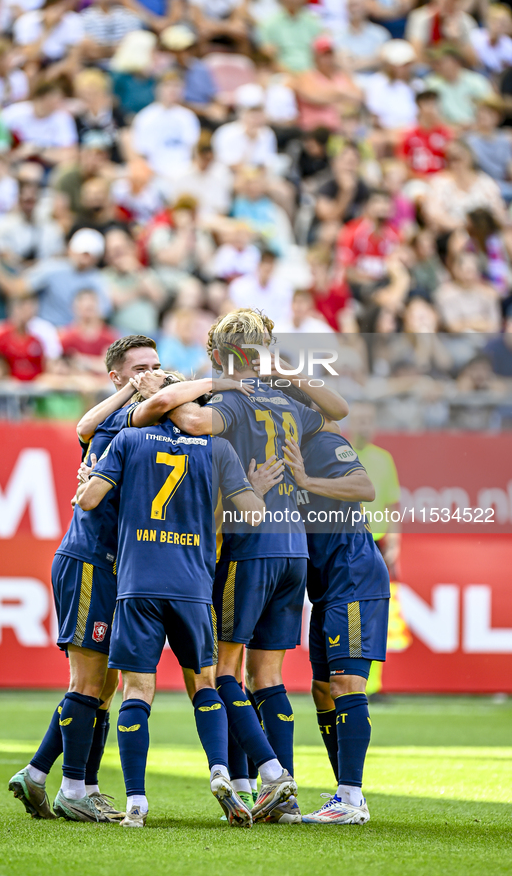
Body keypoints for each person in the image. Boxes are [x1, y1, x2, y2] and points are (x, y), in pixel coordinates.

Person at [64, 372, 273, 825]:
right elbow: (254, 514)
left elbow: (89, 500)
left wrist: (87, 480)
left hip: (137, 584)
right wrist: (249, 486)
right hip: (193, 588)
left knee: (136, 690)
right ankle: (220, 770)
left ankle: (136, 801)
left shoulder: (128, 440)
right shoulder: (219, 449)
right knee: (204, 684)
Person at [167, 308, 349, 824]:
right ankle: (279, 802)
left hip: (250, 547)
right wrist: (287, 372)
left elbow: (191, 420)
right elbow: (337, 413)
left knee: (225, 669)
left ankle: (270, 776)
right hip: (296, 549)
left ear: (220, 356)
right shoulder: (288, 400)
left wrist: (197, 386)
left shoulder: (231, 399)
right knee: (269, 676)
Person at [7, 335, 167, 823]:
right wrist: (136, 391)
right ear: (117, 377)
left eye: (157, 365)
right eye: (140, 368)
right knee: (89, 680)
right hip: (90, 558)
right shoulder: (119, 420)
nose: (153, 374)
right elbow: (84, 424)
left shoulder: (141, 422)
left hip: (118, 564)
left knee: (105, 683)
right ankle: (73, 786)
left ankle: (41, 774)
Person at [282, 406, 385, 825]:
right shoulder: (275, 453)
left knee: (344, 683)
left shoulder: (323, 443)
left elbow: (365, 487)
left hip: (354, 577)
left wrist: (307, 481)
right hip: (325, 587)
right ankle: (343, 792)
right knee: (321, 689)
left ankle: (351, 796)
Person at [348, 400, 402, 697]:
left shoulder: (383, 459)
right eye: (360, 419)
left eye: (369, 419)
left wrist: (394, 541)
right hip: (347, 541)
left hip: (377, 542)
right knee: (350, 611)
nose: (364, 425)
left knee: (377, 613)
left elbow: (393, 504)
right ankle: (349, 678)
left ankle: (374, 684)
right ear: (351, 423)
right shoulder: (339, 454)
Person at [27, 228, 111, 327]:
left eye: (89, 254)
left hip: (78, 335)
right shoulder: (52, 267)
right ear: (70, 249)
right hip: (47, 329)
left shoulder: (99, 280)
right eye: (83, 252)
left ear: (98, 258)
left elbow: (103, 313)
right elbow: (19, 288)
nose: (84, 258)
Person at [424, 139, 507, 233]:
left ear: (470, 155)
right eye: (452, 158)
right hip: (454, 232)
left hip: (487, 231)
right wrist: (464, 226)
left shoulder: (485, 182)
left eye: (459, 155)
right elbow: (434, 214)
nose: (457, 162)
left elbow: (499, 211)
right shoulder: (439, 183)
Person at [336, 189, 402, 305]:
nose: (382, 207)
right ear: (367, 206)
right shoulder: (352, 232)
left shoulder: (394, 235)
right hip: (360, 286)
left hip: (385, 284)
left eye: (386, 203)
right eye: (378, 202)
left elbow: (396, 268)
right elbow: (347, 271)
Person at [130, 73, 201, 178]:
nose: (172, 90)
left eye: (176, 85)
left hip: (185, 173)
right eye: (167, 85)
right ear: (157, 88)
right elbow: (140, 153)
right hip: (154, 174)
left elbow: (194, 151)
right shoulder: (145, 117)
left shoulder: (189, 117)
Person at [292, 35, 363, 133]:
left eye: (330, 54)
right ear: (315, 57)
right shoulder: (306, 76)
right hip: (316, 130)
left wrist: (330, 95)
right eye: (324, 55)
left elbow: (358, 97)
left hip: (341, 130)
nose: (328, 59)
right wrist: (341, 94)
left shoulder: (342, 75)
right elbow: (315, 97)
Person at [1, 80, 78, 169]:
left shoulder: (62, 119)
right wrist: (15, 154)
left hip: (48, 167)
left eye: (59, 99)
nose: (57, 103)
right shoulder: (14, 113)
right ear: (41, 97)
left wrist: (38, 150)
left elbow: (70, 155)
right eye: (53, 98)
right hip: (15, 162)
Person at [0, 295, 61, 381]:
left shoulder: (37, 338)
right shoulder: (0, 337)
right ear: (12, 310)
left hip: (35, 384)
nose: (25, 312)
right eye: (21, 308)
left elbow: (47, 363)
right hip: (8, 385)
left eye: (29, 307)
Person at [256, 0, 323, 73]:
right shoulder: (269, 24)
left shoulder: (314, 23)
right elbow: (268, 58)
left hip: (312, 75)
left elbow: (321, 56)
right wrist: (291, 76)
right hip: (281, 76)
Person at [406, 0, 477, 67]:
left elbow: (474, 62)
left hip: (458, 72)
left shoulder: (466, 21)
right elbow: (417, 57)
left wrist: (456, 40)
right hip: (429, 70)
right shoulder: (420, 17)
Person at [424, 46, 491, 127]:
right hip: (447, 131)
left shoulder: (477, 81)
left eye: (441, 62)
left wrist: (476, 124)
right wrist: (452, 128)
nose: (438, 66)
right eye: (436, 63)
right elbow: (432, 115)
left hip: (478, 128)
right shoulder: (431, 85)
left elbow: (490, 108)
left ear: (456, 62)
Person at [334, 0, 392, 76]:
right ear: (346, 8)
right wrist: (373, 60)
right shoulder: (338, 36)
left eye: (358, 5)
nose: (355, 9)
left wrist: (355, 61)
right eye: (352, 5)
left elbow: (384, 62)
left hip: (377, 82)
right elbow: (344, 65)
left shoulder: (380, 33)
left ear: (366, 7)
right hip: (350, 83)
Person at [465, 97, 512, 203]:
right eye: (481, 112)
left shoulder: (504, 139)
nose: (483, 116)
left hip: (502, 185)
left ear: (498, 117)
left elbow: (509, 166)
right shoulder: (469, 140)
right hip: (479, 185)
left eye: (489, 113)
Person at [60, 288, 117, 374]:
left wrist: (82, 361)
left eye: (91, 305)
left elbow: (110, 367)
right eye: (83, 304)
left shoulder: (109, 336)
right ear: (74, 308)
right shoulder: (65, 336)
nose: (88, 305)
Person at [398, 90, 452, 179]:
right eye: (427, 103)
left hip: (443, 179)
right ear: (419, 107)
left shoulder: (446, 134)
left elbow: (454, 162)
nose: (431, 108)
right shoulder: (408, 135)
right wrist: (422, 179)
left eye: (434, 103)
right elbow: (403, 164)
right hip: (418, 180)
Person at [470, 4, 512, 80]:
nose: (499, 25)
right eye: (495, 20)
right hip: (477, 76)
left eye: (503, 22)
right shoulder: (475, 36)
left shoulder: (508, 44)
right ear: (488, 20)